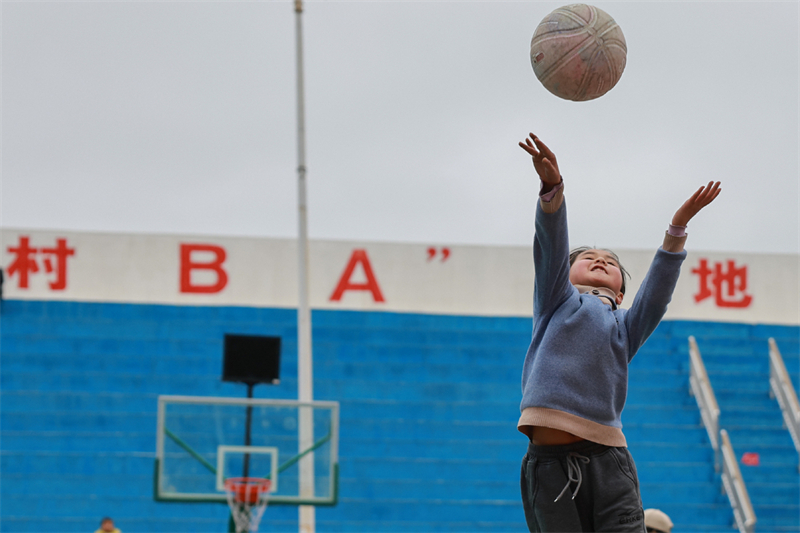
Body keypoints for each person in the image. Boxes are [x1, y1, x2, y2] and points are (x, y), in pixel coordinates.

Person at [517, 133, 720, 532]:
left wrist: (677, 228)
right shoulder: (556, 301)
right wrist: (553, 191)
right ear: (566, 277)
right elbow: (552, 247)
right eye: (588, 257)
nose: (599, 259)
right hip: (549, 466)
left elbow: (657, 293)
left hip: (609, 462)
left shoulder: (625, 325)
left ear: (622, 291)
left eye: (609, 261)